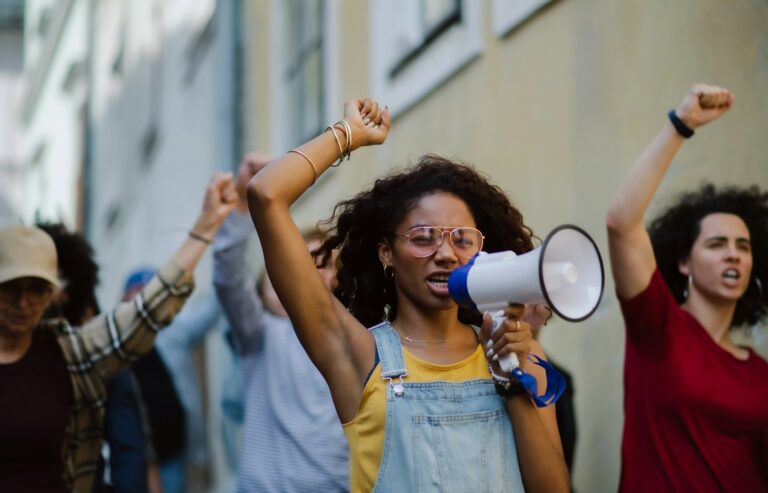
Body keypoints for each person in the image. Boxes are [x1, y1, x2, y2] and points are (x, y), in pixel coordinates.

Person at [246, 98, 569, 492]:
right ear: (387, 254)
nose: (446, 253)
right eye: (423, 238)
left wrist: (514, 380)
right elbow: (266, 195)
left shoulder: (521, 352)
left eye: (462, 239)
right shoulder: (359, 355)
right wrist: (349, 134)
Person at [0, 172, 238, 492]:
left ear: (53, 295)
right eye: (11, 289)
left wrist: (205, 228)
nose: (23, 302)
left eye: (36, 290)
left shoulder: (69, 353)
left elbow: (143, 314)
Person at [606, 84, 768, 491]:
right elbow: (621, 223)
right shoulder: (657, 325)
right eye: (716, 244)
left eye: (743, 247)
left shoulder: (760, 372)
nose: (733, 255)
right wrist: (681, 125)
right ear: (684, 262)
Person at [213, 153, 349, 492]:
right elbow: (229, 278)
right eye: (304, 261)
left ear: (339, 277)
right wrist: (246, 201)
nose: (314, 270)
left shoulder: (358, 339)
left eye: (324, 262)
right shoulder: (261, 335)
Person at [36, 222, 154, 493]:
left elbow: (129, 449)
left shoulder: (95, 353)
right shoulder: (13, 351)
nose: (26, 301)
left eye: (39, 287)